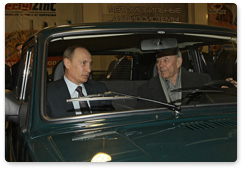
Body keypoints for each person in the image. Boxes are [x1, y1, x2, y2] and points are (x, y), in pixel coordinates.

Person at [46, 46, 114, 118]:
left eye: (90, 64)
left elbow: (111, 119)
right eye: (83, 63)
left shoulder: (100, 89)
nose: (89, 70)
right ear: (67, 63)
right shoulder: (47, 94)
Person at [136, 48, 211, 109]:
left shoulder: (201, 81)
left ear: (178, 62)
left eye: (166, 60)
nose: (160, 65)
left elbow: (211, 111)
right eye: (158, 61)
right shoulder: (145, 90)